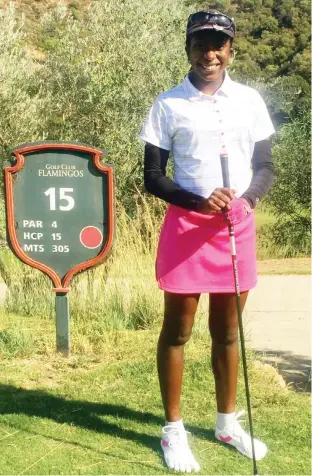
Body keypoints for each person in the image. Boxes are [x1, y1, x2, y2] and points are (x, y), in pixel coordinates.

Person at [140, 9, 275, 473]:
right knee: (177, 331)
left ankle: (225, 423)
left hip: (236, 225)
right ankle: (173, 431)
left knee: (228, 331)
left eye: (218, 43)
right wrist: (198, 202)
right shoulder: (167, 104)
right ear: (188, 49)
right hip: (186, 226)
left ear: (231, 49)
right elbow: (153, 177)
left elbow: (265, 167)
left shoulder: (250, 101)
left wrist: (249, 199)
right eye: (201, 44)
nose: (210, 53)